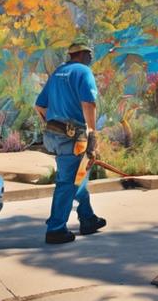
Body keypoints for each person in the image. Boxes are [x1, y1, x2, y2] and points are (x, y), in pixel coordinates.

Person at [35, 42, 107, 244]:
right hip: (73, 138)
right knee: (67, 183)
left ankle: (88, 219)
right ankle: (56, 229)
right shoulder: (83, 71)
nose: (91, 58)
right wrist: (93, 133)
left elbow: (39, 105)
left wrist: (53, 124)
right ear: (83, 54)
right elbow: (89, 103)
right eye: (90, 54)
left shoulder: (58, 73)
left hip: (54, 135)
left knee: (77, 177)